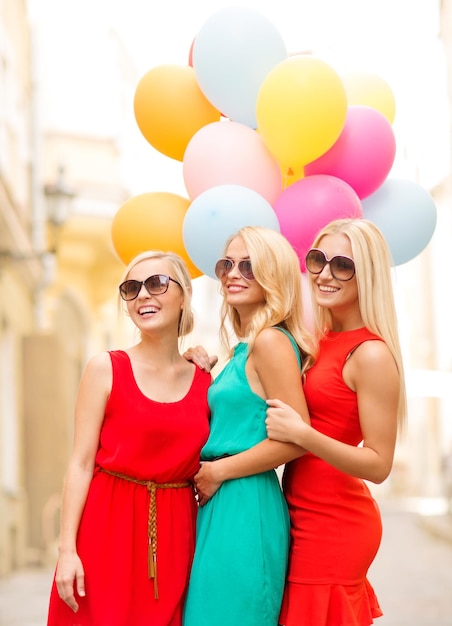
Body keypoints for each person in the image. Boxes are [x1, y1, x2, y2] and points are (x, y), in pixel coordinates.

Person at [46, 251, 211, 626]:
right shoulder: (105, 368)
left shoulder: (205, 382)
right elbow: (81, 462)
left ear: (184, 295)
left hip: (177, 533)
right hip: (106, 530)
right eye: (132, 288)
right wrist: (67, 549)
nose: (143, 296)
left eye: (156, 284)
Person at [265, 218, 407, 626]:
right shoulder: (319, 341)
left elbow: (379, 464)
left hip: (334, 524)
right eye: (317, 260)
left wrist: (304, 435)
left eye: (342, 265)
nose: (325, 274)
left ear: (368, 273)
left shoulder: (371, 354)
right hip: (298, 513)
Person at [183, 226, 315, 626]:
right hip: (223, 499)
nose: (233, 273)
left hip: (244, 500)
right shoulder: (245, 347)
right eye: (227, 264)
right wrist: (204, 378)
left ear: (274, 274)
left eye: (249, 265)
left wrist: (218, 471)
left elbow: (297, 438)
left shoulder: (271, 342)